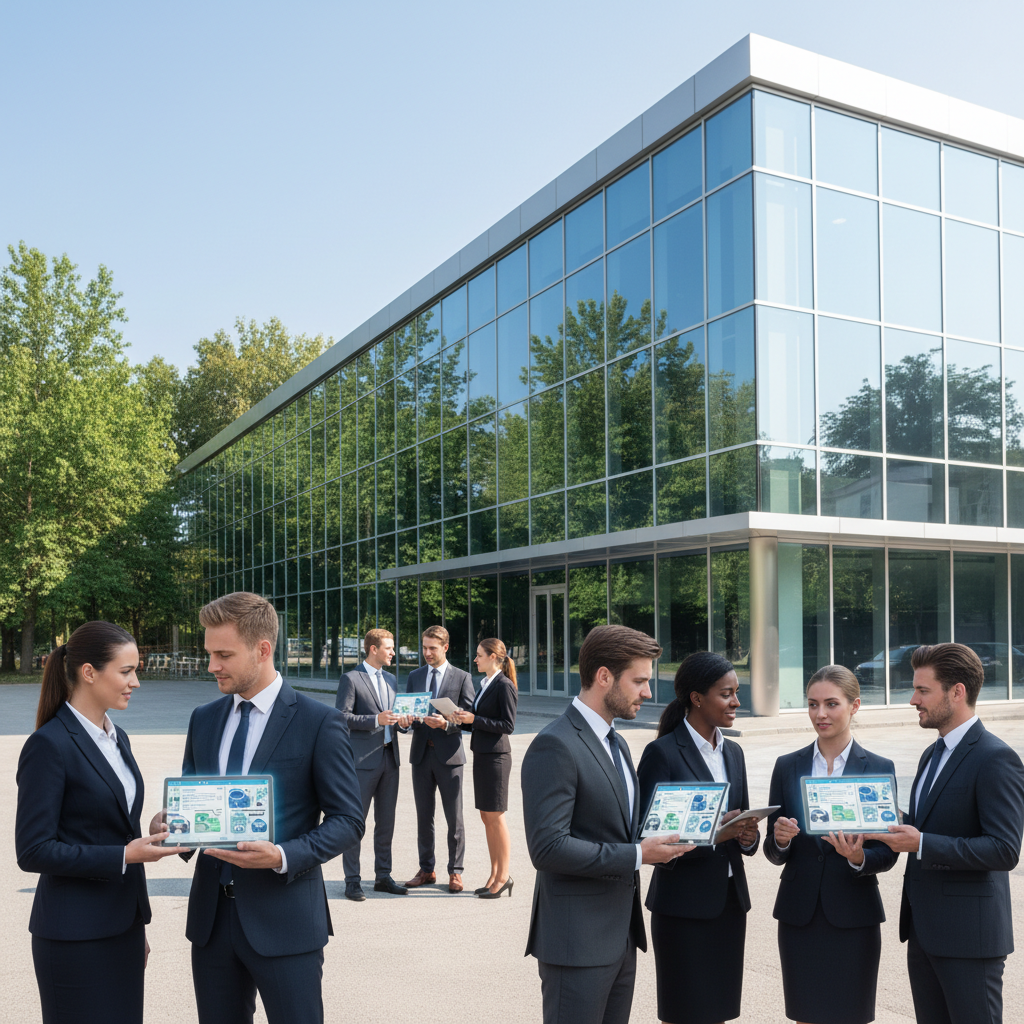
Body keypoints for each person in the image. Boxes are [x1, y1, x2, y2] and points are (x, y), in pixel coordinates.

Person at [153, 592, 364, 1024]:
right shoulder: (203, 718)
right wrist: (174, 824)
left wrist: (283, 855)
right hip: (212, 923)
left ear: (262, 650)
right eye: (209, 653)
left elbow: (347, 820)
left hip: (286, 920)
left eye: (223, 655)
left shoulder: (319, 722)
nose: (211, 665)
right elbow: (195, 798)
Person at [521, 624, 693, 1024]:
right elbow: (547, 848)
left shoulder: (616, 741)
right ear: (603, 677)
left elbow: (616, 828)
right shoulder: (555, 744)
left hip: (620, 939)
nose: (648, 692)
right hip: (576, 945)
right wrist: (637, 855)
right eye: (639, 681)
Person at [16, 621, 181, 1024]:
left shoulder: (117, 736)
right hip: (74, 937)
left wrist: (152, 828)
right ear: (89, 672)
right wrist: (124, 855)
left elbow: (112, 821)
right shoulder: (49, 745)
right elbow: (33, 850)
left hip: (123, 927)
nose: (136, 682)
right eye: (126, 671)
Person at [864, 643, 1024, 1024]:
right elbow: (931, 824)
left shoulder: (996, 757)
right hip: (924, 933)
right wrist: (884, 818)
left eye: (923, 690)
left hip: (970, 940)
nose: (913, 700)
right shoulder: (931, 754)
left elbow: (1004, 850)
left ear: (957, 692)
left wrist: (921, 843)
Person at [764, 665, 898, 1024]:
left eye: (831, 704)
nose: (820, 714)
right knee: (805, 1015)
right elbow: (772, 851)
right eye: (812, 704)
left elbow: (888, 852)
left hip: (855, 914)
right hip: (799, 915)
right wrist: (780, 841)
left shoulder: (879, 767)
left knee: (851, 1014)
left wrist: (859, 857)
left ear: (855, 706)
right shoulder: (787, 766)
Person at [636, 652, 761, 1024]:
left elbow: (743, 825)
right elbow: (647, 837)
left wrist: (747, 836)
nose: (736, 702)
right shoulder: (662, 753)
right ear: (697, 698)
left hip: (730, 904)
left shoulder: (733, 752)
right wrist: (716, 835)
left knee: (719, 1011)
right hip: (683, 908)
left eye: (736, 692)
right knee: (685, 1012)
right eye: (726, 694)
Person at [335, 627, 412, 901]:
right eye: (389, 648)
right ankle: (352, 881)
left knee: (386, 822)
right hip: (362, 762)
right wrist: (374, 720)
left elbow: (394, 718)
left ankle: (383, 877)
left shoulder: (391, 679)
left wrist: (404, 723)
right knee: (355, 822)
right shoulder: (351, 678)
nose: (393, 652)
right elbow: (340, 717)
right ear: (373, 649)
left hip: (391, 759)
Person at [404, 625, 475, 893]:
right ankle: (426, 869)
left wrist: (446, 724)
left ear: (445, 647)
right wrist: (405, 722)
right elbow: (408, 714)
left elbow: (469, 719)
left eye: (432, 648)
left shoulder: (462, 677)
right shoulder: (414, 676)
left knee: (454, 818)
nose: (427, 653)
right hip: (421, 755)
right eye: (424, 647)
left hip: (450, 756)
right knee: (424, 816)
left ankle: (455, 871)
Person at [453, 637, 518, 898]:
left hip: (496, 758)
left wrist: (475, 718)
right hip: (482, 755)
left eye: (479, 655)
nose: (475, 659)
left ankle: (503, 876)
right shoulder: (486, 683)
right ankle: (494, 874)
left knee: (496, 816)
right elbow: (479, 722)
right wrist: (461, 719)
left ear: (493, 656)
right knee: (486, 816)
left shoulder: (504, 685)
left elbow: (508, 725)